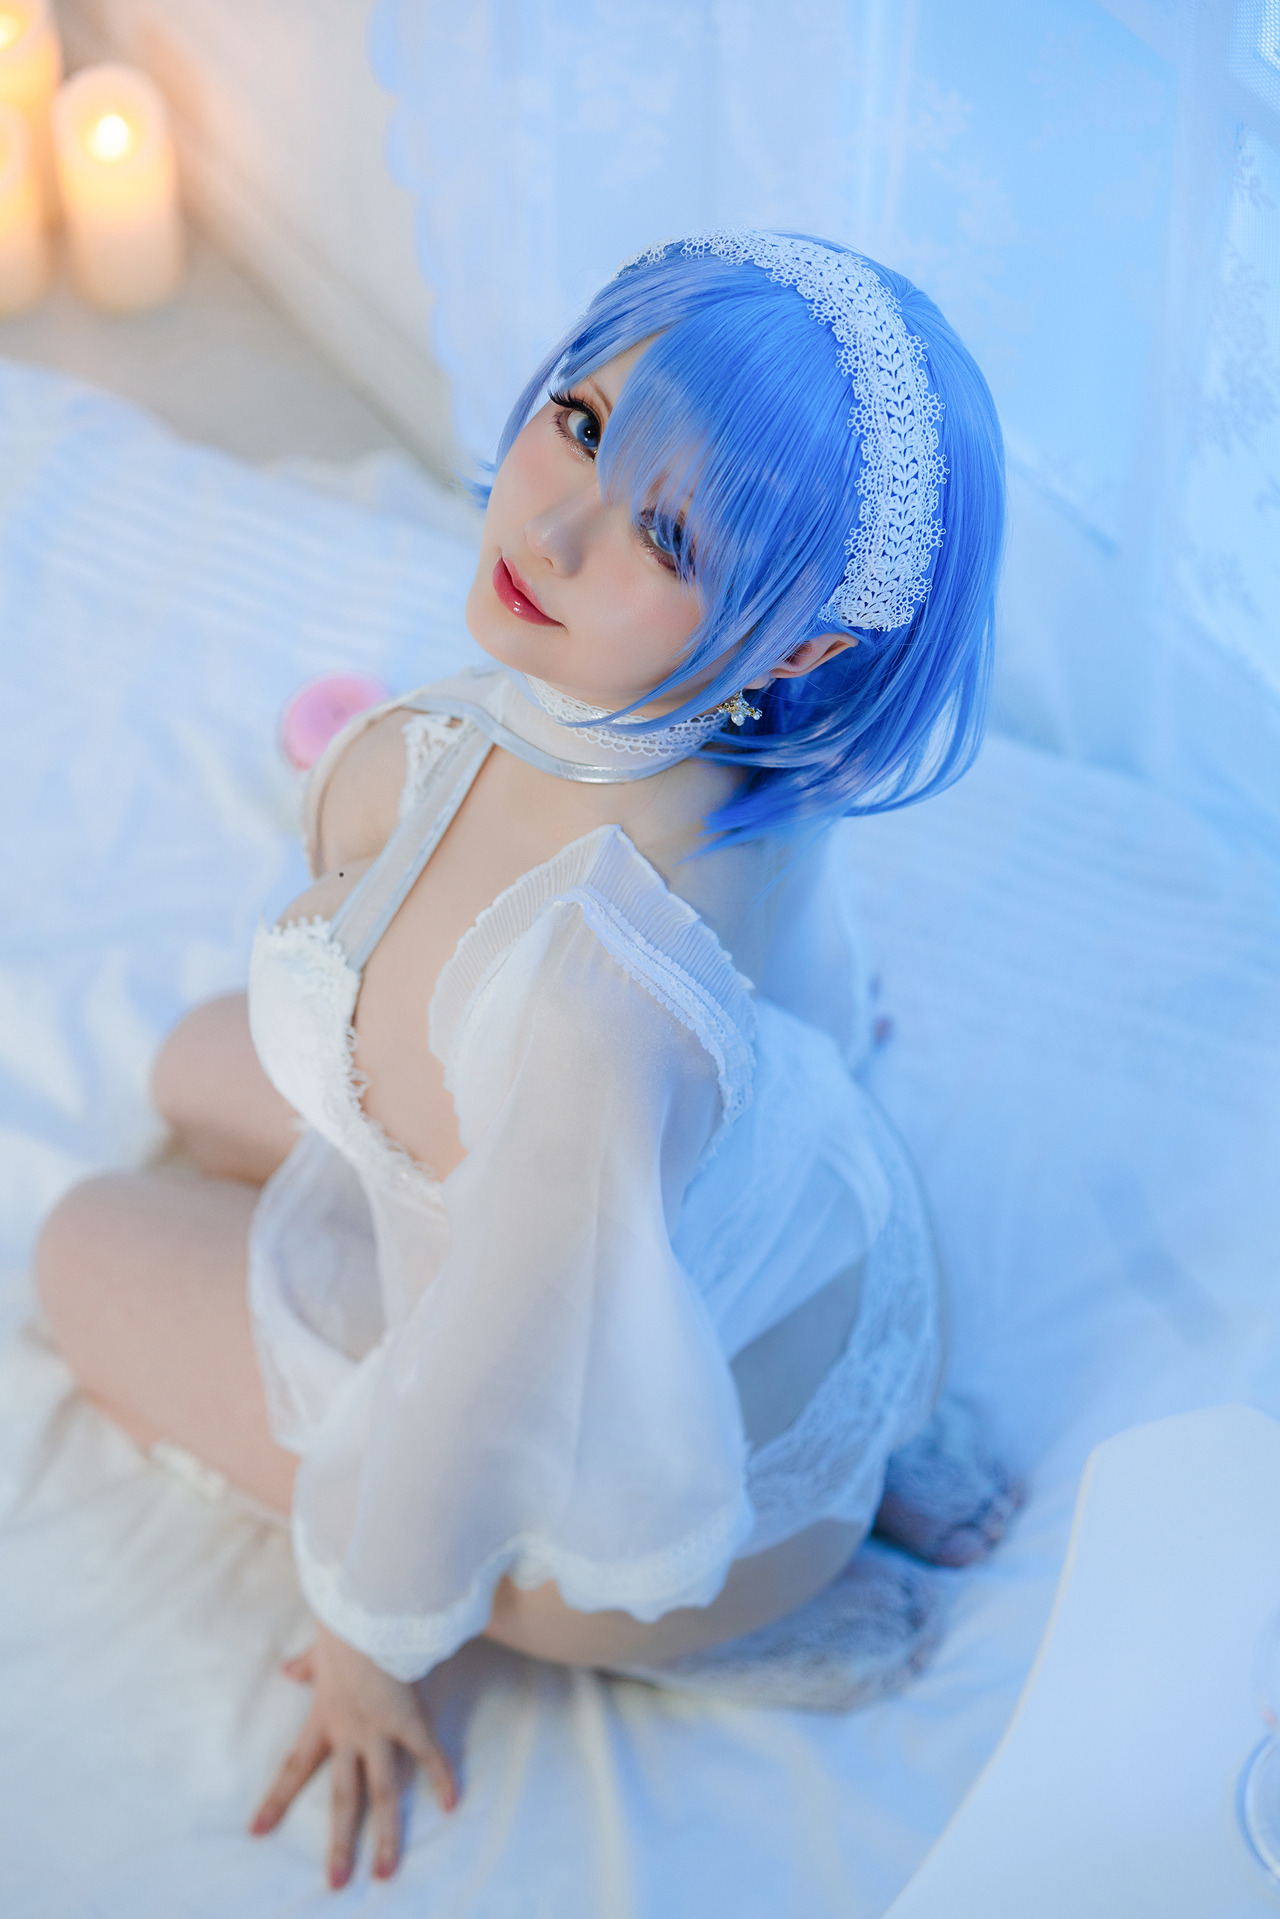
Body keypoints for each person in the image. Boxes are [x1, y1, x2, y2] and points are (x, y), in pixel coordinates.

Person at [33, 231, 1012, 1892]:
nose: (551, 527)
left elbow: (482, 1380)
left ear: (799, 650)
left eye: (668, 536)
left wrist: (368, 1639)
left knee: (81, 1244)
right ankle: (859, 1436)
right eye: (583, 422)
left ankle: (737, 1598)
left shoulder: (588, 1001)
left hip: (584, 1428)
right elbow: (819, 989)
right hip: (772, 1259)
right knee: (193, 1071)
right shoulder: (747, 771)